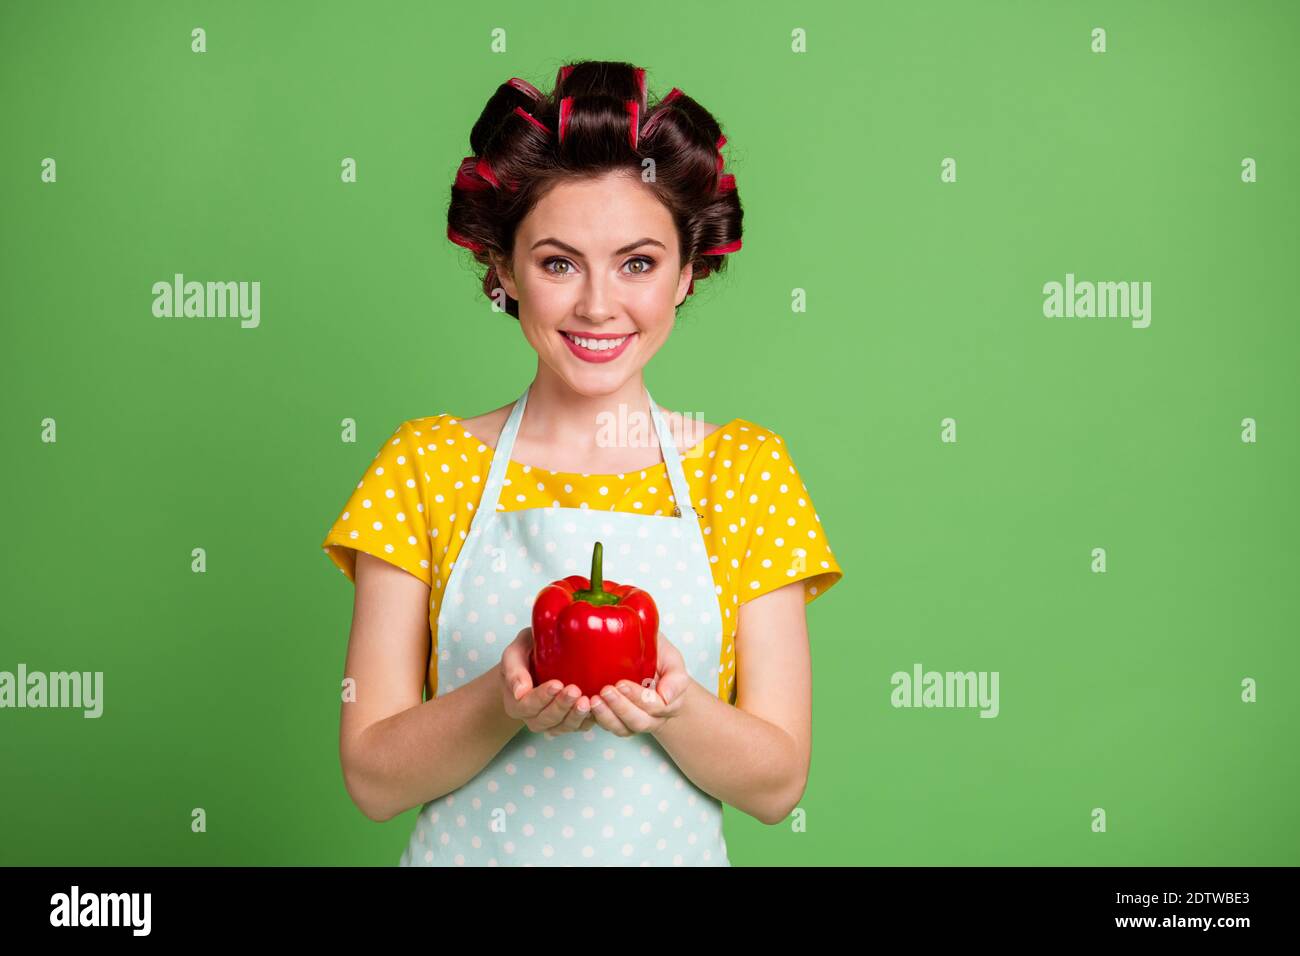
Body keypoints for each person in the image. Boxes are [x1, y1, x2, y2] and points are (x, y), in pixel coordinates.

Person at [320, 59, 844, 866]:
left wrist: (672, 709)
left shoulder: (745, 471)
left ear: (686, 274)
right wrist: (505, 702)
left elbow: (776, 786)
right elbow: (373, 779)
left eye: (638, 263)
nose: (599, 305)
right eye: (558, 263)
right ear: (504, 272)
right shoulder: (424, 465)